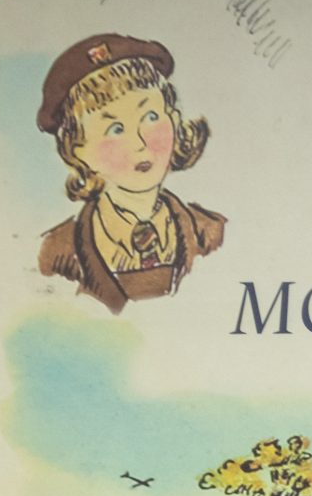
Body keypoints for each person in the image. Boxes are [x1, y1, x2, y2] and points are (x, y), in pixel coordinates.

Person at [35, 33, 225, 313]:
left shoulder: (212, 236)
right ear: (78, 151)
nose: (139, 143)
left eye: (150, 117)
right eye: (115, 129)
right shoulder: (56, 255)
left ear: (174, 121)